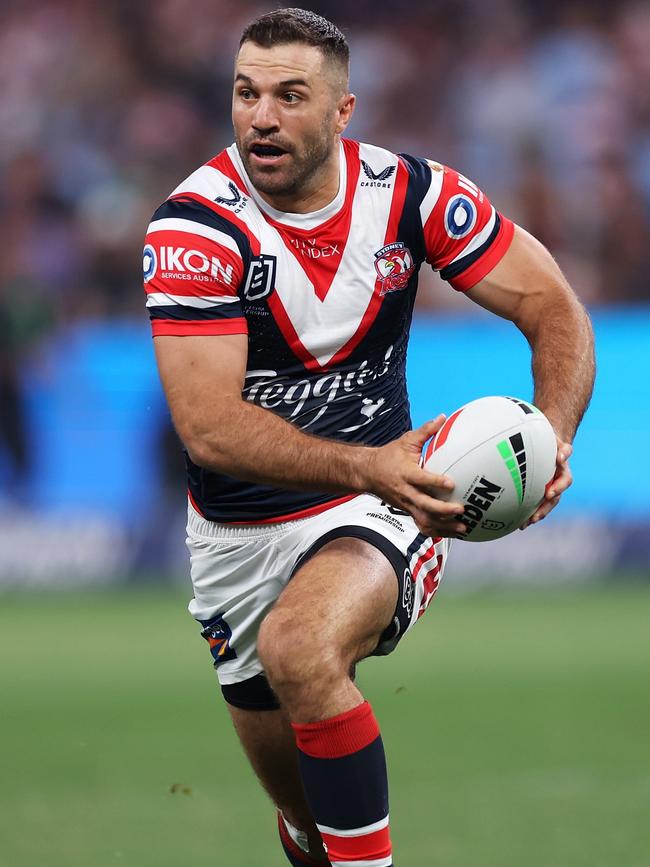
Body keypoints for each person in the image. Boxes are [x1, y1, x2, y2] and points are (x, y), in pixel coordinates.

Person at [143, 9, 595, 865]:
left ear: (343, 110)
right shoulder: (195, 229)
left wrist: (551, 439)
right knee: (311, 820)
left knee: (301, 647)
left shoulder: (415, 196)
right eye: (245, 93)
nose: (260, 117)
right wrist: (370, 463)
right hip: (238, 540)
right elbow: (208, 429)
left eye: (289, 96)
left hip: (383, 505)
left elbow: (553, 306)